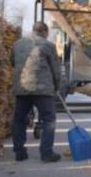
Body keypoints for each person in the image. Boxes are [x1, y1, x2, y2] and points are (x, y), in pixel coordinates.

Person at [11, 21, 62, 162]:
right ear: (45, 32)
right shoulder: (48, 45)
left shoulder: (17, 44)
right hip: (43, 90)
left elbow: (12, 62)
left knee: (19, 119)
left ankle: (19, 152)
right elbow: (56, 69)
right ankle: (46, 153)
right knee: (49, 120)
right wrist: (57, 87)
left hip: (22, 88)